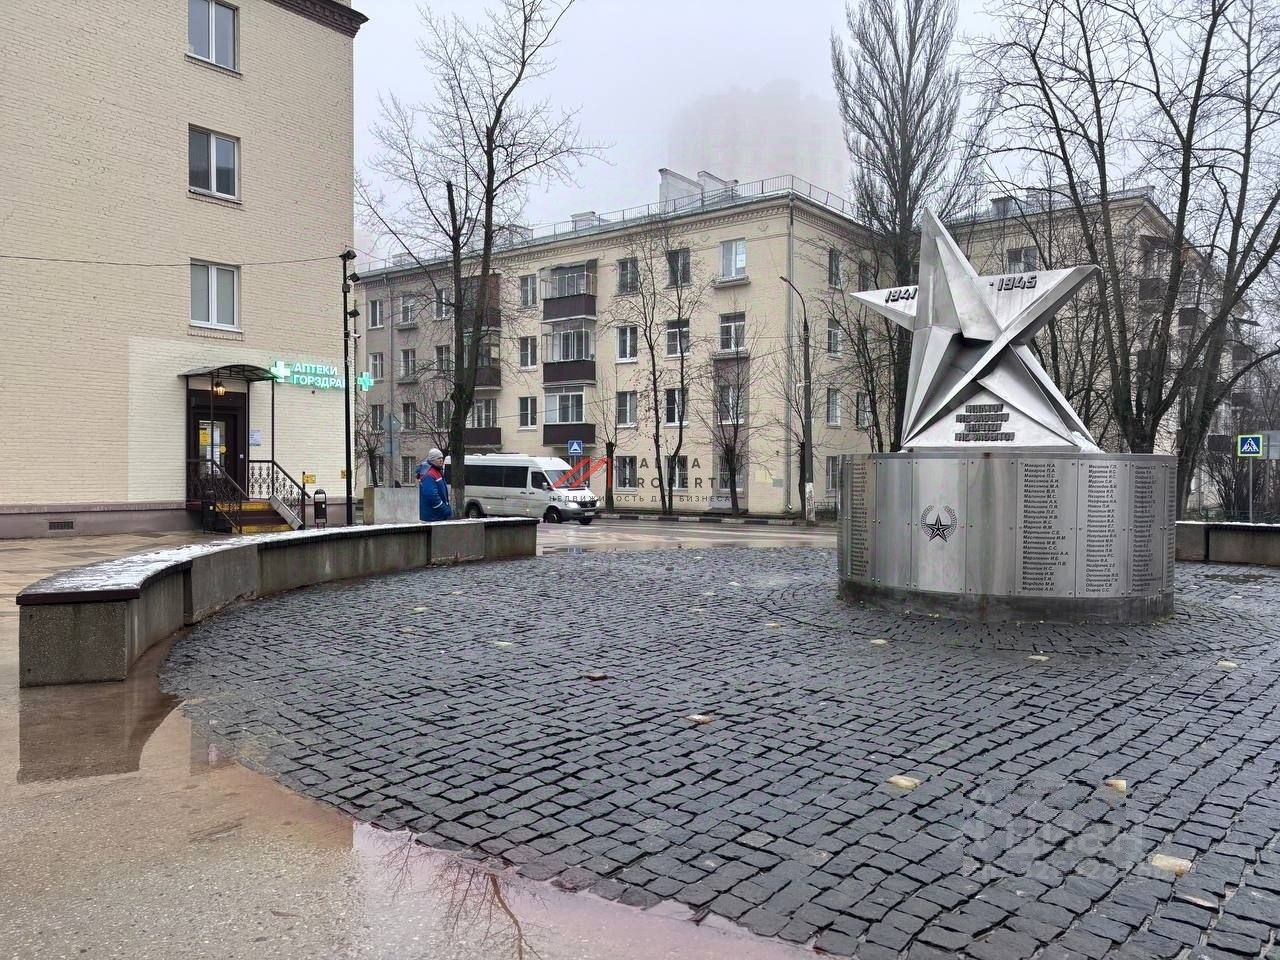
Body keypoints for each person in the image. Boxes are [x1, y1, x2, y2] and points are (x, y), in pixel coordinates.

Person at [416, 448, 453, 521]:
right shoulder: (429, 474)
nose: (441, 460)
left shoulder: (437, 471)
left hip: (437, 515)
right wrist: (444, 509)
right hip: (433, 516)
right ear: (432, 460)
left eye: (442, 458)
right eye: (438, 458)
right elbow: (431, 495)